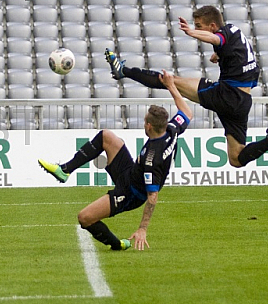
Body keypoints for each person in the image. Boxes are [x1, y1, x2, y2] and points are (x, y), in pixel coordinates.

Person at [104, 5, 268, 168]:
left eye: (199, 27)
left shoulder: (222, 35)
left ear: (212, 26)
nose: (197, 30)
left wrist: (192, 33)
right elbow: (237, 57)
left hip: (227, 94)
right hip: (242, 102)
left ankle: (124, 71)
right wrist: (219, 55)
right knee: (236, 158)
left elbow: (216, 40)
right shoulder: (236, 33)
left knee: (170, 80)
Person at [39, 71, 192, 251]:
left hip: (130, 193)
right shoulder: (172, 129)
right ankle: (65, 170)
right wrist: (171, 86)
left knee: (85, 217)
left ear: (149, 126)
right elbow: (187, 111)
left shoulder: (152, 159)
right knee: (106, 136)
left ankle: (116, 244)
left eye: (144, 122)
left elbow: (152, 196)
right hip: (130, 172)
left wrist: (143, 228)